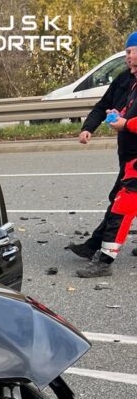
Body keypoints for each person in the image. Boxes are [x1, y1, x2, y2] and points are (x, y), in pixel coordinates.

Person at [67, 32, 137, 265]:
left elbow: (130, 118)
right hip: (126, 152)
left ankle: (96, 248)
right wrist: (89, 127)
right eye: (126, 52)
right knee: (124, 199)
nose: (126, 56)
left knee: (120, 200)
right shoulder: (124, 79)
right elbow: (103, 106)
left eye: (130, 51)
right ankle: (95, 246)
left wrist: (126, 122)